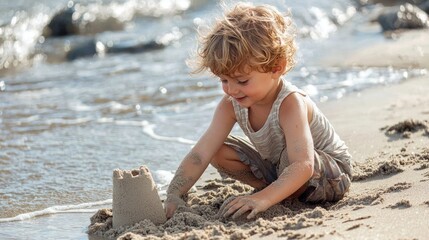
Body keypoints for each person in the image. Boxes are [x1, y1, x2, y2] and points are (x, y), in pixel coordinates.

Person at [164, 2, 352, 220]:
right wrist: (174, 193)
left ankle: (273, 193)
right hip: (281, 170)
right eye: (224, 80)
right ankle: (276, 190)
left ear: (276, 67)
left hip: (330, 173)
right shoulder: (230, 105)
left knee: (289, 159)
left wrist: (261, 199)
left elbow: (303, 164)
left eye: (242, 80)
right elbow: (200, 154)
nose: (232, 89)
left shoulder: (290, 103)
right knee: (218, 150)